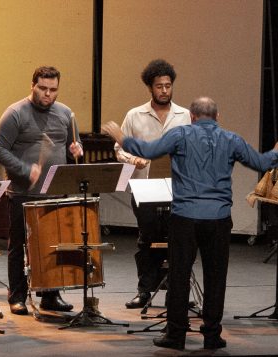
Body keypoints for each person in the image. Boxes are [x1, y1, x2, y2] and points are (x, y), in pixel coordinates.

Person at [103, 97, 278, 351]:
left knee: (179, 276)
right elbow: (260, 163)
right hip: (218, 219)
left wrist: (122, 137)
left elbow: (147, 151)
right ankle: (212, 335)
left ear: (191, 116)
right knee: (216, 277)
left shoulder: (179, 135)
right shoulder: (231, 139)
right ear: (217, 116)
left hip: (185, 217)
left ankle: (176, 335)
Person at [0, 65, 83, 316]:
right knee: (19, 244)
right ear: (32, 85)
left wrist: (76, 150)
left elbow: (70, 144)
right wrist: (24, 168)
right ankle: (17, 296)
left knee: (54, 244)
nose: (47, 94)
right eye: (42, 88)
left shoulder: (65, 113)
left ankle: (50, 295)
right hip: (23, 192)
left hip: (55, 191)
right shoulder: (15, 113)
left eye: (53, 90)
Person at [115, 59, 192, 309]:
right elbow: (119, 149)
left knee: (177, 240)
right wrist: (133, 159)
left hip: (178, 188)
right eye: (159, 86)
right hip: (144, 187)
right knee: (146, 239)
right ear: (150, 88)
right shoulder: (134, 115)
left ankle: (177, 291)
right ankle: (144, 290)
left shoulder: (185, 116)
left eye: (168, 86)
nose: (164, 91)